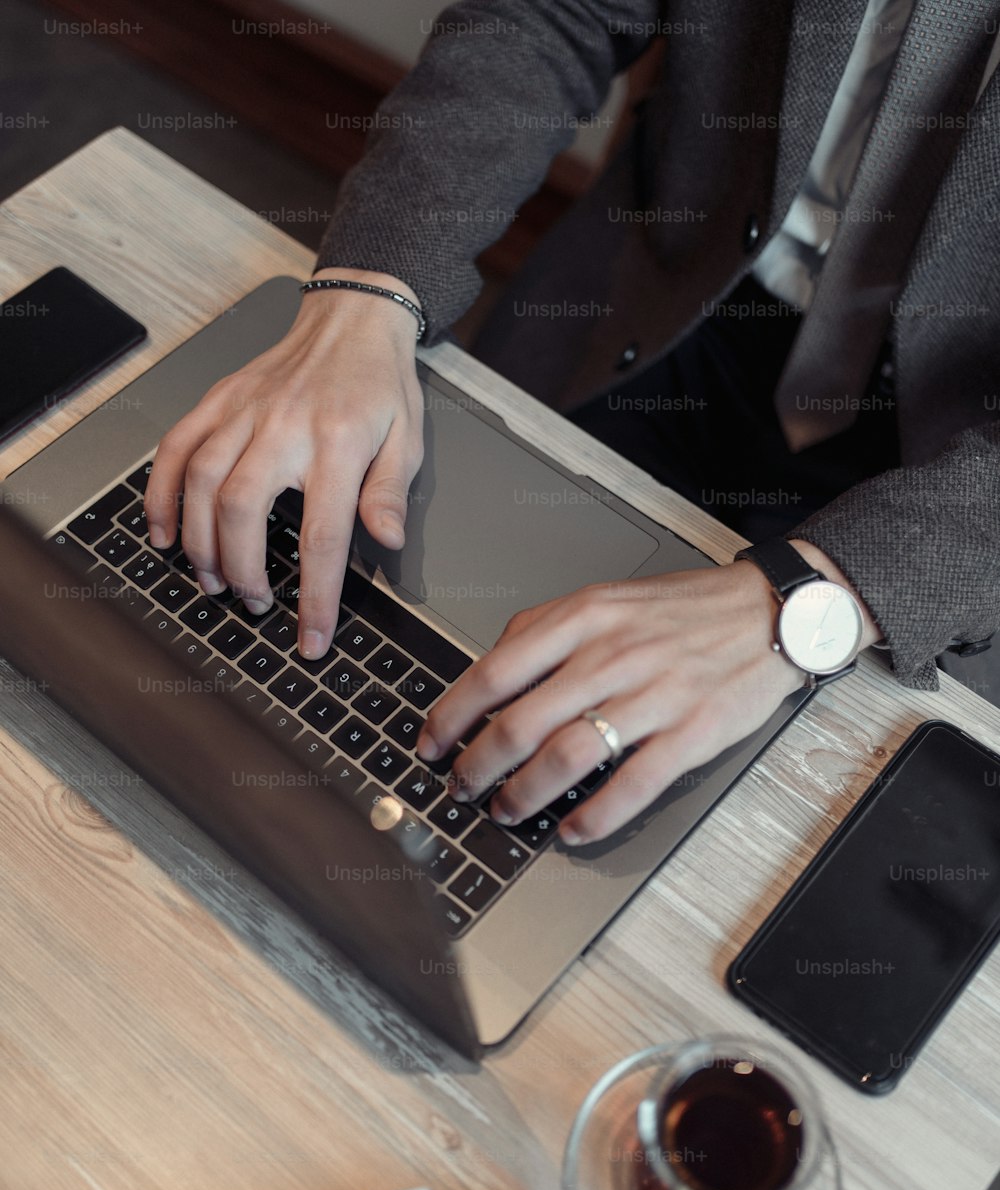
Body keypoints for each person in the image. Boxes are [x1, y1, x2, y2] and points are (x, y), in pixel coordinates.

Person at [144, 0, 1000, 847]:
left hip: (949, 464)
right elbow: (549, 13)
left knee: (726, 822)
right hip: (654, 302)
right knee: (423, 631)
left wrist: (813, 605)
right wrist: (370, 288)